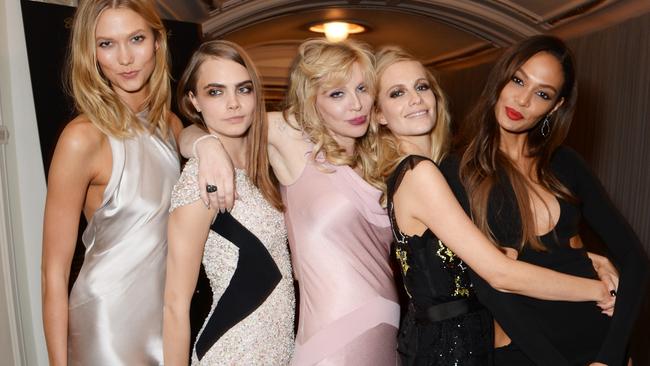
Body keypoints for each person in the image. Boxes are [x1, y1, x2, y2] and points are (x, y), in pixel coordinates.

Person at [373, 45, 619, 366]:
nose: (415, 99)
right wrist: (600, 291)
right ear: (378, 114)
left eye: (422, 87)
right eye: (397, 93)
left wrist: (586, 256)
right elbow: (500, 272)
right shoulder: (419, 173)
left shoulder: (441, 168)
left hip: (468, 340)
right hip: (451, 348)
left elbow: (495, 251)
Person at [179, 39, 400, 365]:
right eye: (337, 93)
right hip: (332, 339)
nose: (356, 105)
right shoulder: (293, 138)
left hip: (387, 334)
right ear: (312, 100)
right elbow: (200, 127)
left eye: (363, 89)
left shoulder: (382, 157)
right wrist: (206, 147)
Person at [438, 35, 649, 365]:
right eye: (518, 80)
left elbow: (634, 259)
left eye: (541, 94)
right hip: (528, 351)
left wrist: (612, 354)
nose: (522, 100)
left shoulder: (566, 163)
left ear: (556, 106)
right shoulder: (458, 169)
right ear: (501, 77)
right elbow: (490, 286)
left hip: (600, 340)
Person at [41, 0, 181, 365]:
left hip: (170, 321)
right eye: (106, 44)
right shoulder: (82, 139)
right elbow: (53, 273)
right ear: (92, 54)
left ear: (157, 42)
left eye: (136, 38)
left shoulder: (173, 127)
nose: (124, 58)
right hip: (107, 324)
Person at [162, 40, 295, 365]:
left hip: (282, 352)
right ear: (194, 100)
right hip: (232, 352)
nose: (233, 104)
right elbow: (175, 304)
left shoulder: (265, 161)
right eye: (216, 92)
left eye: (243, 89)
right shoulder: (199, 181)